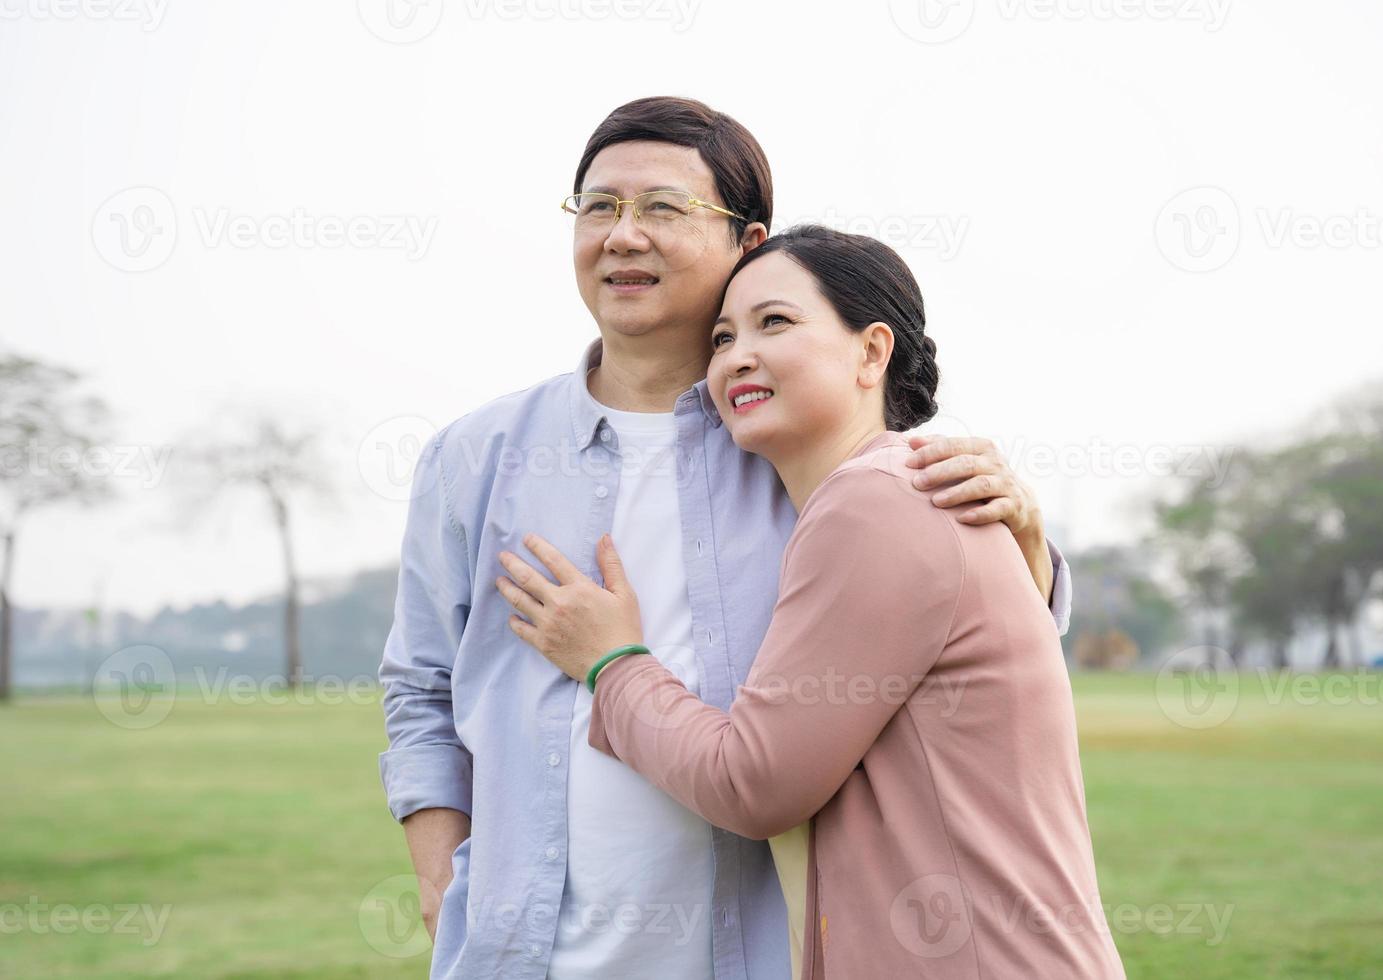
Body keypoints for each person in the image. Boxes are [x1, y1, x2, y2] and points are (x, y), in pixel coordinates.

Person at [379, 97, 1074, 980]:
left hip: (748, 953)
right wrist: (441, 879)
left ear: (750, 244)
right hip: (513, 956)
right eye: (598, 207)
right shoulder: (474, 456)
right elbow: (421, 684)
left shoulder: (810, 455)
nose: (622, 236)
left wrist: (1030, 541)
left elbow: (980, 663)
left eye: (663, 208)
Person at [497, 226, 1124, 979]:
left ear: (871, 352)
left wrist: (614, 661)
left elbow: (753, 783)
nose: (737, 357)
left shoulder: (876, 501)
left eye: (776, 323)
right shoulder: (900, 494)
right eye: (722, 338)